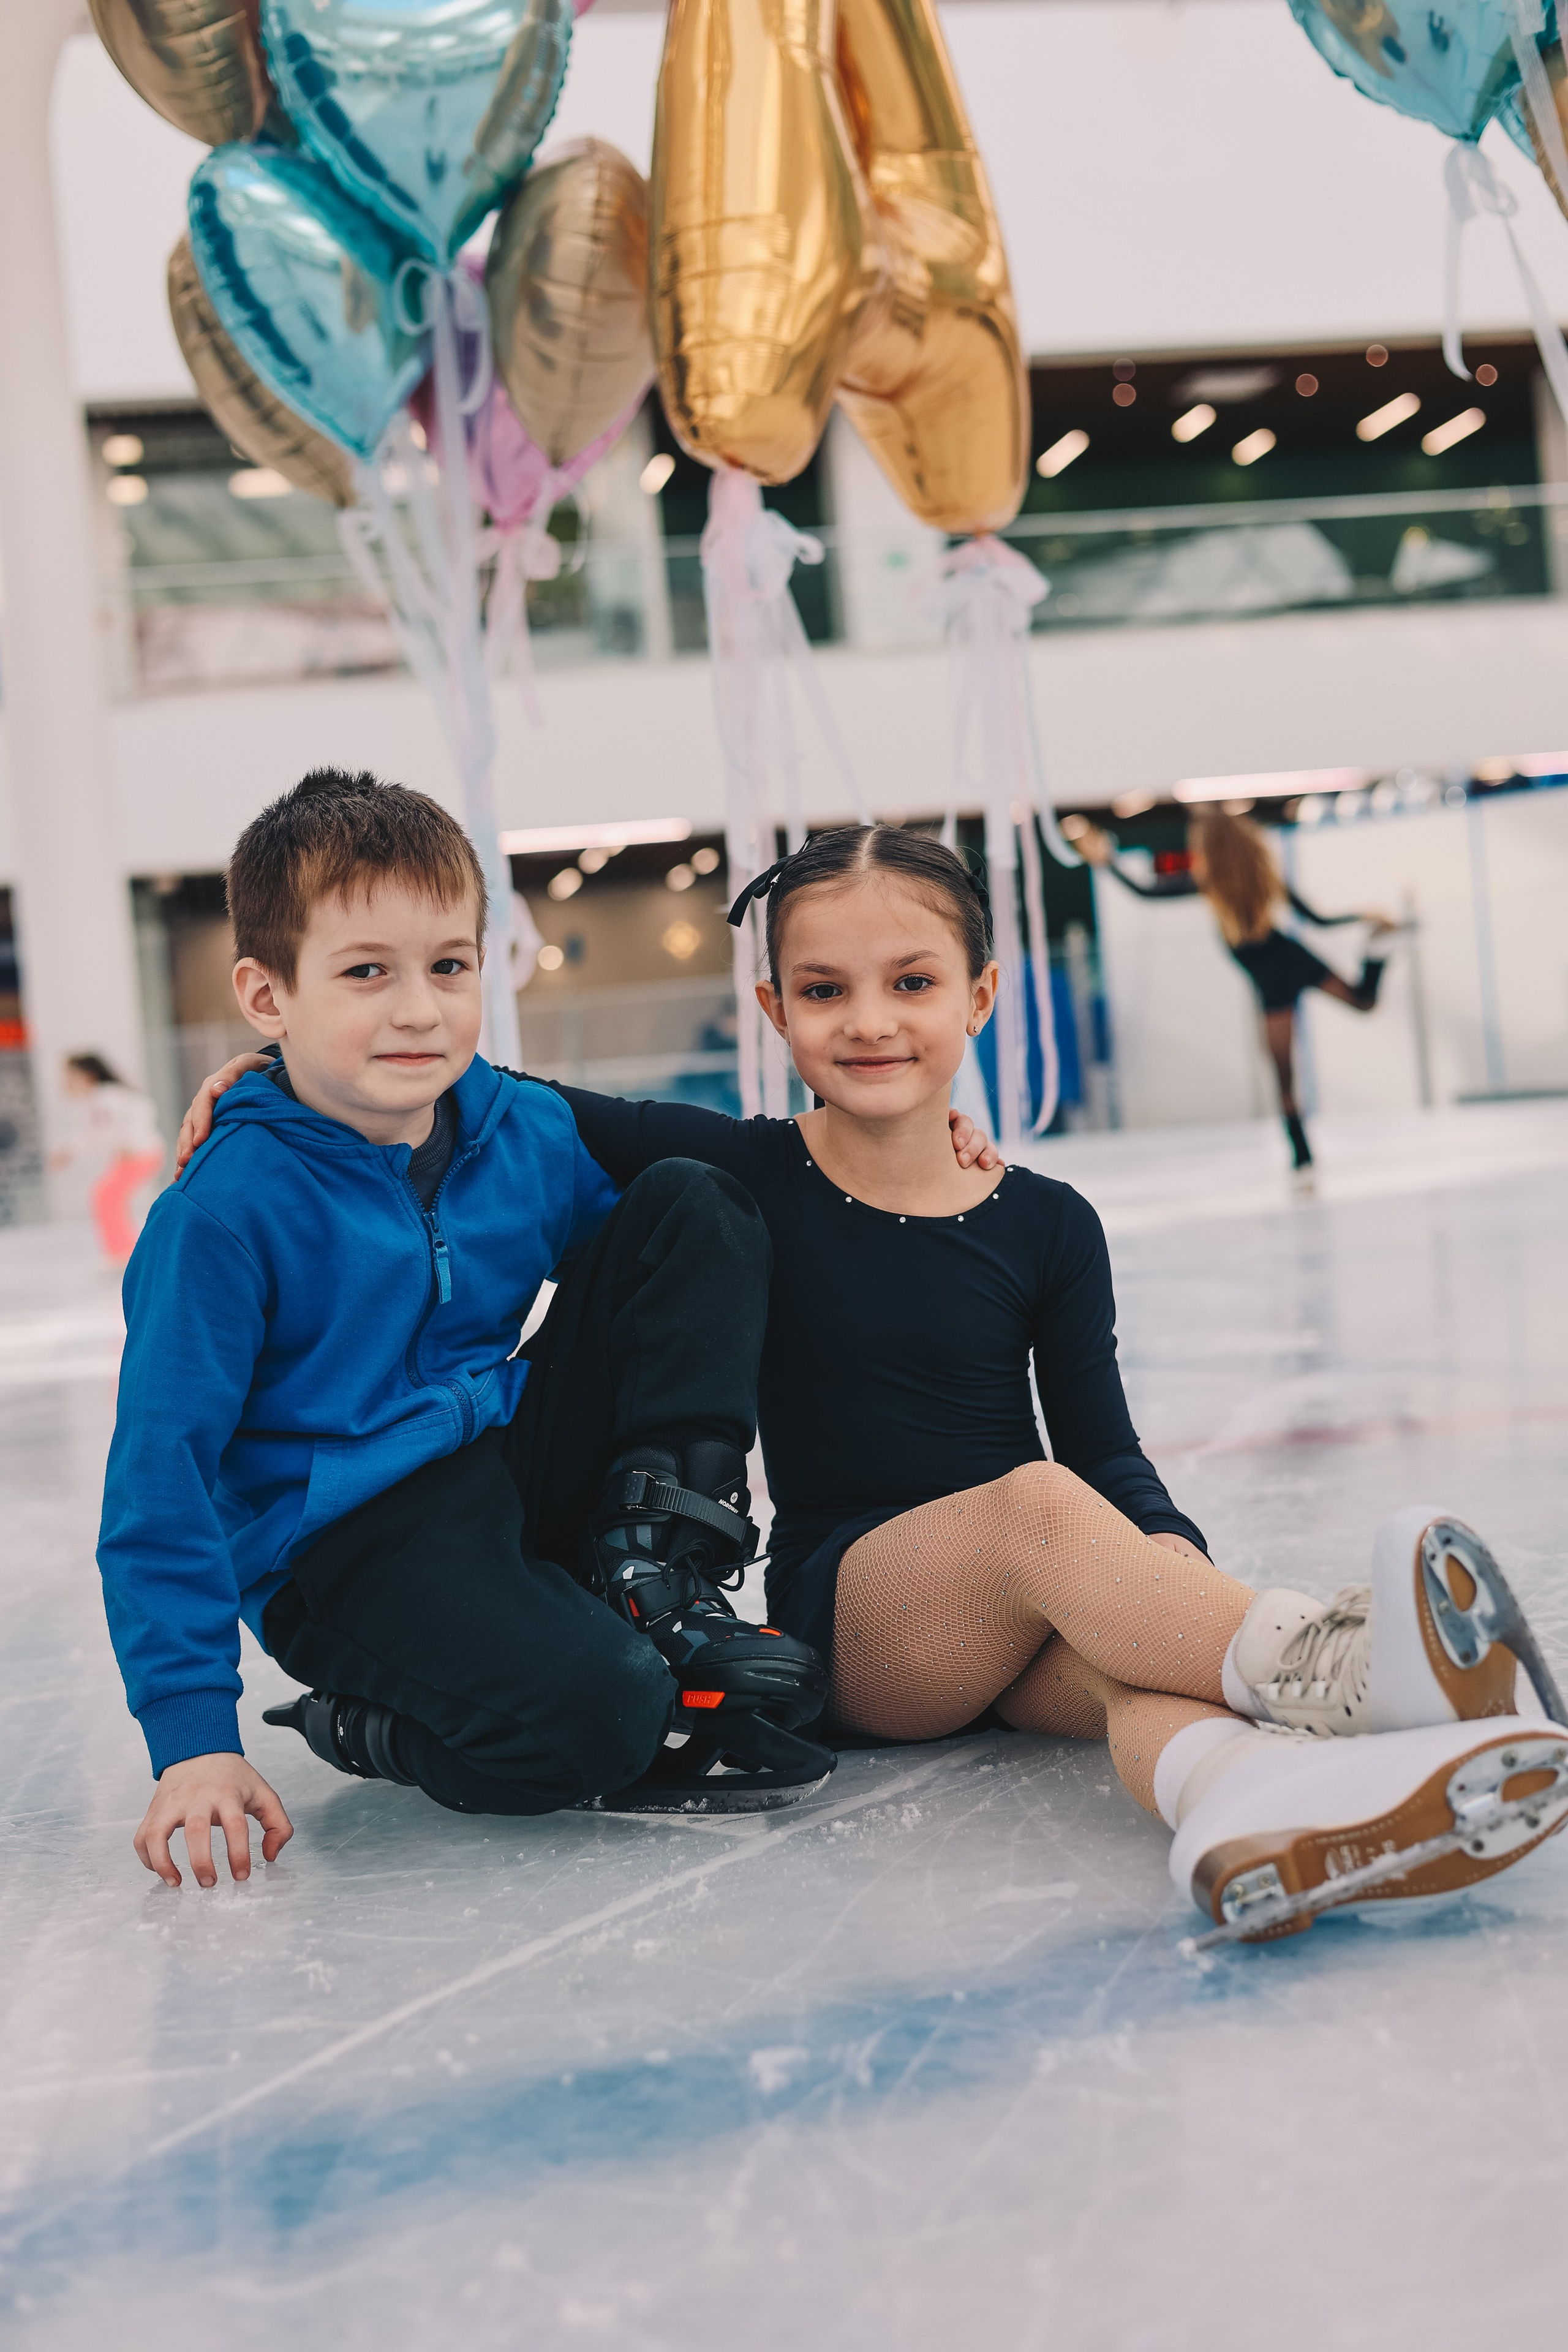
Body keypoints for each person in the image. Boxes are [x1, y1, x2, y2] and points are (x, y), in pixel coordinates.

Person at [179, 823, 1568, 1945]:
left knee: (1125, 1668)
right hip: (863, 1621)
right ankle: (1341, 1662)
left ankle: (1247, 1802)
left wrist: (1154, 1579)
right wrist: (266, 1064)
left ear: (973, 996)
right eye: (827, 992)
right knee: (1033, 1506)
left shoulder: (1045, 1220)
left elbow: (1107, 1448)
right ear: (775, 1007)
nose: (871, 1023)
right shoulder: (750, 1174)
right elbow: (467, 1080)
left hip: (1025, 1596)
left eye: (910, 984)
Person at [100, 767, 846, 1896]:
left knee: (689, 1201)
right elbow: (161, 1482)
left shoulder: (518, 1128)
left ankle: (656, 1571)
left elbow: (656, 1281)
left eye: (450, 966)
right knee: (606, 1715)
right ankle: (377, 1725)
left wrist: (907, 1151)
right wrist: (193, 1738)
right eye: (365, 973)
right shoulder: (223, 1214)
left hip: (497, 1467)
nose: (419, 1009)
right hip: (342, 1551)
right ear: (268, 997)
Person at [1082, 809, 1404, 1183]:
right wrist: (1363, 915)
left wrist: (1107, 861)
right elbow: (1318, 919)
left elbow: (1145, 892)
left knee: (1285, 1079)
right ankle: (1377, 953)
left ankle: (1302, 1159)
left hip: (1273, 983)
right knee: (1363, 1002)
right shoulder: (1257, 876)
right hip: (1294, 960)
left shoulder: (1209, 883)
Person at [51, 1052, 166, 1266]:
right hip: (136, 1155)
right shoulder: (100, 1098)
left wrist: (130, 1140)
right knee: (107, 1197)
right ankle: (123, 1251)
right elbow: (93, 1134)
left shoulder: (105, 1098)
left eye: (70, 1076)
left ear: (87, 1076)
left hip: (140, 1155)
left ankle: (124, 1252)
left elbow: (103, 1131)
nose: (66, 1082)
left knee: (106, 1196)